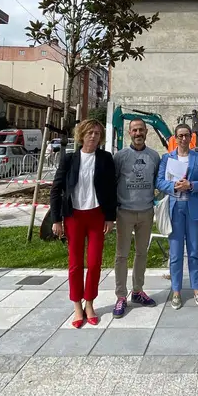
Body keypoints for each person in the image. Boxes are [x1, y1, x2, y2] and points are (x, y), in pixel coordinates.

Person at [50, 119, 116, 328]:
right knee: (75, 263)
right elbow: (56, 189)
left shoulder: (105, 158)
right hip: (74, 217)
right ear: (81, 135)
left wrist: (110, 217)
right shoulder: (69, 159)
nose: (93, 136)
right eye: (89, 133)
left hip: (96, 216)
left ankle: (90, 303)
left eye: (97, 133)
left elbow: (111, 189)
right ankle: (77, 306)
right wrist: (56, 219)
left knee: (95, 262)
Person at [112, 118, 161, 317]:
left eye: (141, 130)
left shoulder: (154, 156)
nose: (138, 133)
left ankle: (138, 291)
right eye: (134, 130)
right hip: (125, 212)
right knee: (122, 255)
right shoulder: (120, 156)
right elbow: (113, 182)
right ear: (129, 133)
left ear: (146, 132)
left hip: (146, 212)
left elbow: (158, 181)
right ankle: (121, 296)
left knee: (142, 253)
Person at [157, 124, 198, 310]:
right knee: (175, 252)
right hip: (175, 209)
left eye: (187, 135)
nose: (184, 139)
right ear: (175, 138)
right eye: (180, 136)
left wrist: (191, 185)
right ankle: (176, 291)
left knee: (194, 251)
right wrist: (173, 186)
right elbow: (159, 182)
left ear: (191, 136)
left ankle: (197, 289)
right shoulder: (167, 158)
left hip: (193, 208)